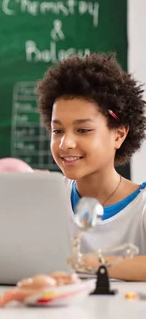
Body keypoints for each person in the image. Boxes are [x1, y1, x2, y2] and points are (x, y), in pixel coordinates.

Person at [37, 53, 146, 281]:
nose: (66, 143)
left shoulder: (141, 208)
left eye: (83, 130)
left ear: (119, 134)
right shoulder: (47, 200)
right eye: (57, 131)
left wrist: (88, 263)